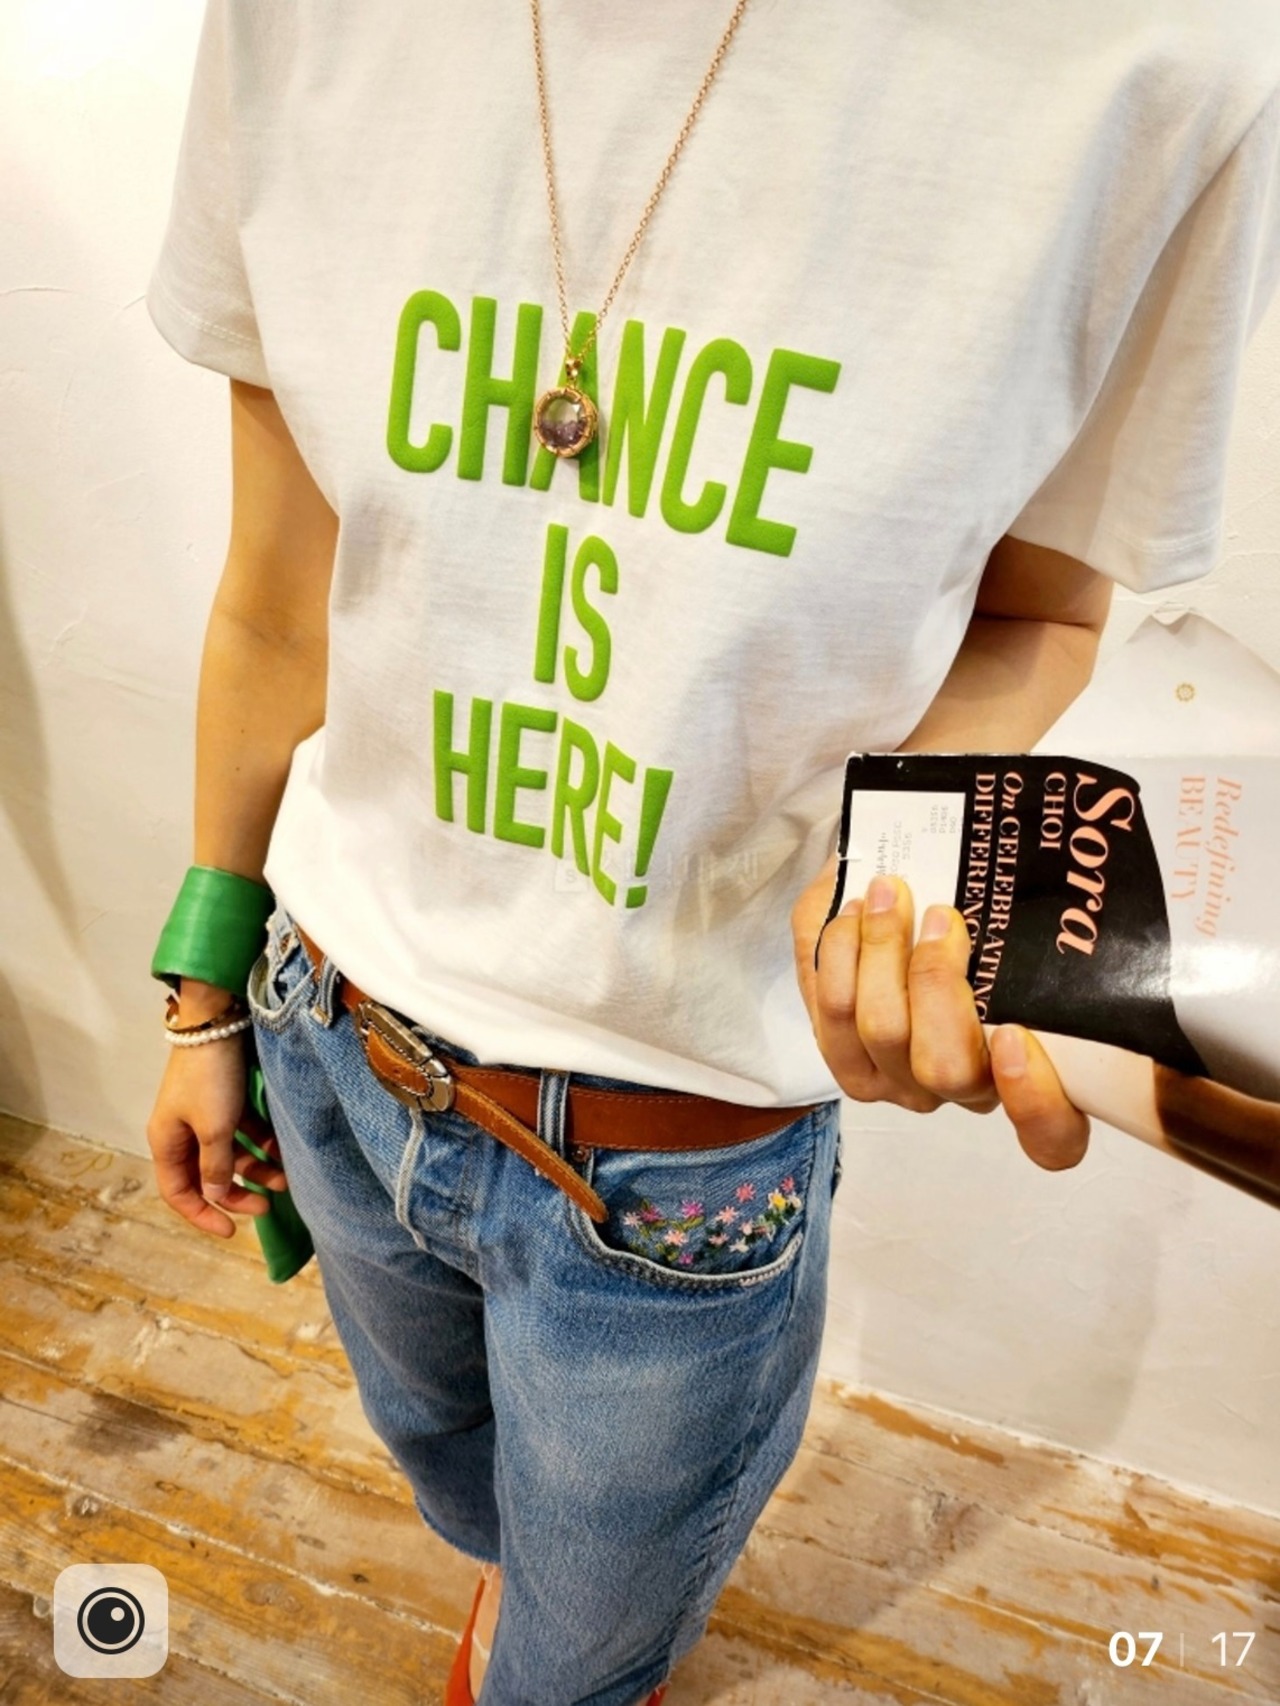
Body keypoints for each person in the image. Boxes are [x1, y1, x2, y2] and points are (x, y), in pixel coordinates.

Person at [142, 3, 1280, 1702]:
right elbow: (277, 600)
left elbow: (1041, 618)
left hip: (676, 1159)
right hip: (333, 1034)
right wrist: (206, 992)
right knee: (456, 1479)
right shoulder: (305, 22)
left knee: (580, 1659)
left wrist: (900, 891)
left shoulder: (1151, 69)